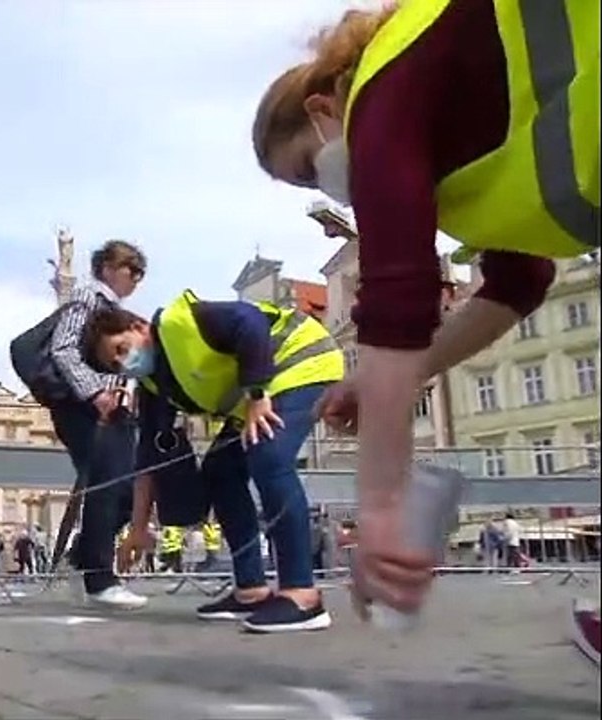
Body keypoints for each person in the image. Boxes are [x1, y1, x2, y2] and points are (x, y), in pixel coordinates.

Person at [251, 0, 598, 620]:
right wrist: (395, 375)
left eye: (306, 170)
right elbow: (520, 280)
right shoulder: (453, 141)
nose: (323, 188)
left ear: (322, 109)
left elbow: (397, 297)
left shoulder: (381, 95)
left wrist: (382, 508)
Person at [85, 291, 344, 633]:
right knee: (220, 471)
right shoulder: (154, 385)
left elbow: (249, 321)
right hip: (259, 395)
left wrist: (257, 394)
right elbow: (149, 457)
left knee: (268, 455)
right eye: (115, 365)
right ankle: (251, 590)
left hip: (301, 359)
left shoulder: (180, 323)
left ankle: (302, 596)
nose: (124, 363)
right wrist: (137, 528)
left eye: (121, 349)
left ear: (139, 326)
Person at [49, 239, 148, 610]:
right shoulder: (87, 297)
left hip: (114, 409)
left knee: (128, 489)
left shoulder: (115, 309)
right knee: (108, 483)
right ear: (107, 267)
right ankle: (100, 579)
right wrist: (95, 393)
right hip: (86, 408)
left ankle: (82, 557)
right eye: (130, 268)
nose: (136, 277)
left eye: (140, 272)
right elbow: (63, 348)